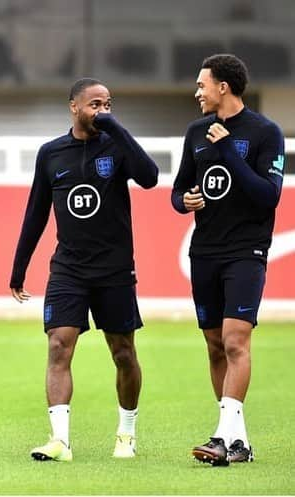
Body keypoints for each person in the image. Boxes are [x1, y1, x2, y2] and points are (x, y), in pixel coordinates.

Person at [10, 78, 158, 461]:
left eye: (107, 103)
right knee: (59, 345)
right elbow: (35, 213)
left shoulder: (117, 146)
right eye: (94, 104)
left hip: (114, 270)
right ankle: (60, 440)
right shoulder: (51, 153)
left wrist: (116, 129)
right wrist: (19, 268)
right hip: (68, 270)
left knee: (123, 353)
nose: (102, 110)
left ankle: (126, 433)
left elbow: (150, 177)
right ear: (74, 106)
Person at [171, 54, 285, 466]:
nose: (196, 92)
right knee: (215, 345)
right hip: (204, 251)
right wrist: (182, 201)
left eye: (202, 84)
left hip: (246, 251)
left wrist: (229, 153)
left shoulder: (265, 133)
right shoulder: (195, 132)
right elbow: (179, 187)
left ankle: (222, 436)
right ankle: (238, 442)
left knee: (236, 339)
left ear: (223, 87)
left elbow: (269, 195)